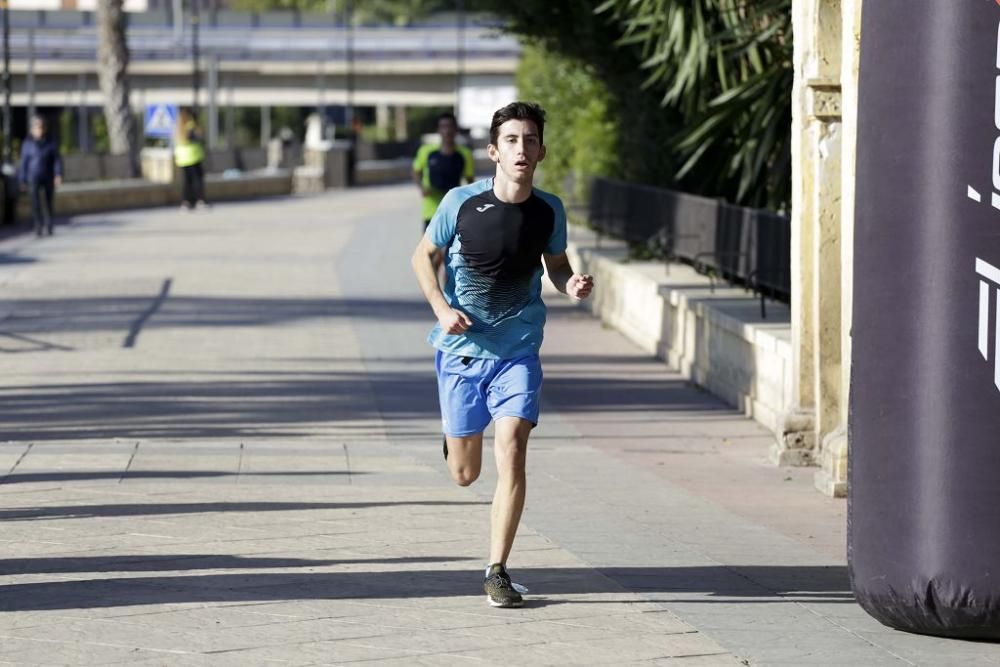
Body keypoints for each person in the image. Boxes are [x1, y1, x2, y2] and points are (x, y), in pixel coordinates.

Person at [410, 102, 594, 608]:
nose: (521, 148)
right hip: (463, 349)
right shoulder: (461, 203)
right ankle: (454, 441)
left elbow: (555, 264)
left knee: (512, 445)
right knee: (465, 473)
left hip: (519, 350)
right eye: (511, 140)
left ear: (540, 151)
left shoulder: (549, 209)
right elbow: (423, 256)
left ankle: (497, 570)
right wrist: (441, 307)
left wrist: (569, 282)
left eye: (530, 140)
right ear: (494, 151)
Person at [412, 112, 474, 233]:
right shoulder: (426, 151)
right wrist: (421, 187)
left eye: (450, 126)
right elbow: (415, 171)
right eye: (443, 127)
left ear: (456, 129)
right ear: (438, 130)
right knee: (429, 250)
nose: (447, 131)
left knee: (452, 249)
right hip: (431, 209)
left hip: (454, 208)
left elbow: (470, 181)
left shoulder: (465, 154)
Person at [17, 115, 63, 237]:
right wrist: (22, 180)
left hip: (48, 175)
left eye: (41, 127)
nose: (39, 129)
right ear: (32, 129)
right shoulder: (27, 144)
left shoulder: (50, 142)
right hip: (33, 176)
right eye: (37, 127)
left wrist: (58, 174)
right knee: (35, 203)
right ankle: (38, 226)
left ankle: (49, 225)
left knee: (48, 202)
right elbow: (24, 163)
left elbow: (57, 160)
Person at [174, 108, 208, 211]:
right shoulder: (191, 126)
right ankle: (199, 201)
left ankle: (186, 202)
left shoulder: (178, 127)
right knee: (197, 180)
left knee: (186, 182)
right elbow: (198, 138)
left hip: (182, 158)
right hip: (193, 157)